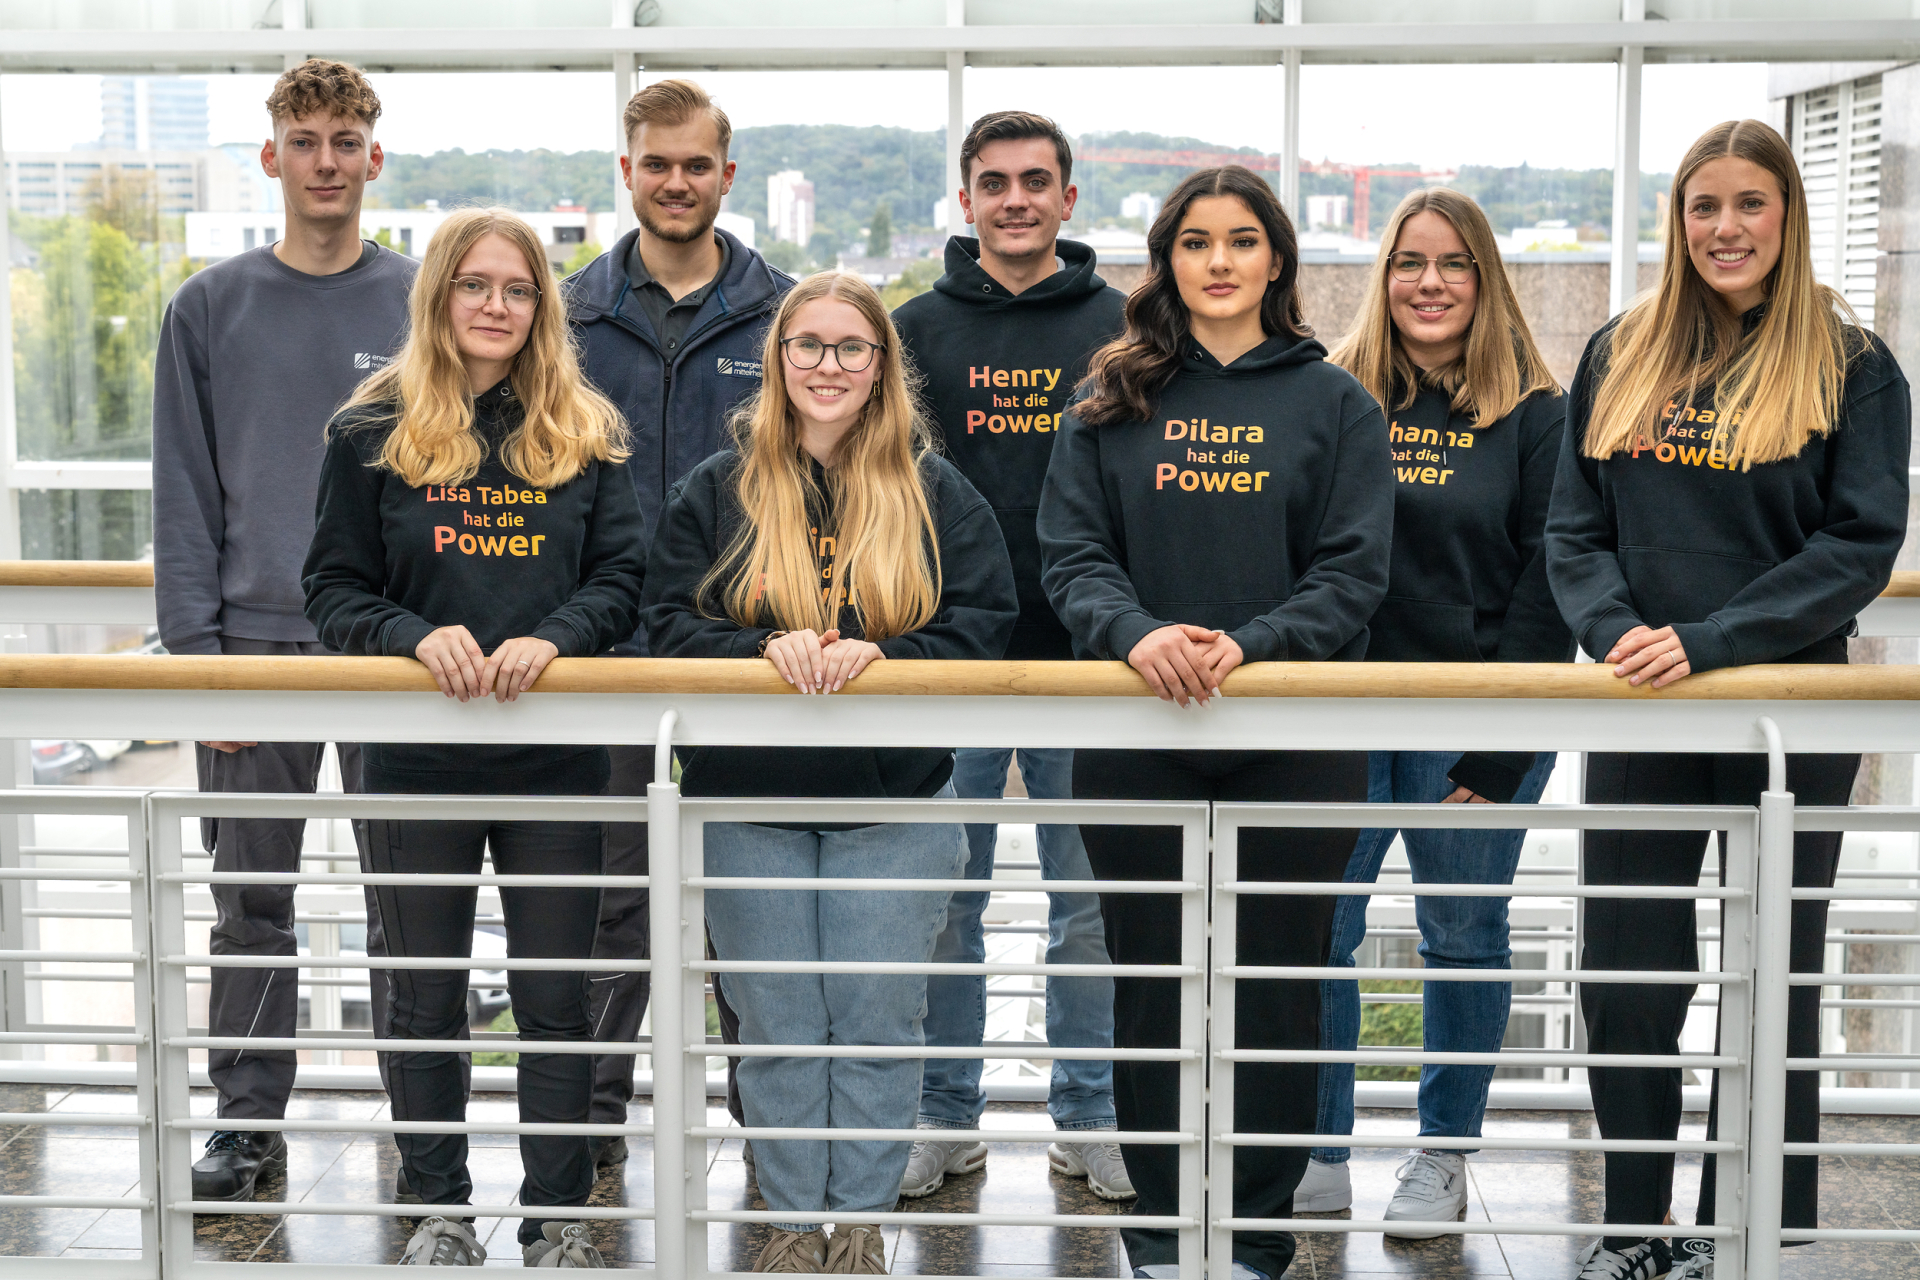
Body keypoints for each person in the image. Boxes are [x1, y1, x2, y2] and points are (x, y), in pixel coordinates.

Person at [1545, 120, 1910, 1280]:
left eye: (1750, 204)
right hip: (1646, 703)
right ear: (1678, 220)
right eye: (1705, 206)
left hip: (1787, 710)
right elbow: (1574, 527)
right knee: (1628, 968)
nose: (1725, 228)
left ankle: (1747, 1225)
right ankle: (1637, 1226)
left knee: (1775, 970)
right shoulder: (1621, 350)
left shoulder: (1852, 364)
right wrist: (1615, 632)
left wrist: (1706, 639)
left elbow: (1857, 547)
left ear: (1788, 215)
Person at [1038, 165, 1393, 1280]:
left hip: (1291, 739)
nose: (1222, 261)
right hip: (1139, 732)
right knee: (1149, 987)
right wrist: (1135, 631)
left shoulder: (1336, 403)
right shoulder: (1108, 398)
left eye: (1244, 240)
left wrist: (1256, 642)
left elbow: (1353, 572)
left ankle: (1251, 1236)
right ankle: (1157, 1231)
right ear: (1169, 259)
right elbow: (1072, 554)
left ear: (1277, 259)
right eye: (1198, 242)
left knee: (1274, 990)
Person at [640, 270, 1017, 1274]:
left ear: (884, 366)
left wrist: (889, 658)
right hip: (747, 806)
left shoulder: (935, 491)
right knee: (776, 1029)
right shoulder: (715, 490)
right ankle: (791, 1227)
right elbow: (663, 624)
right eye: (808, 344)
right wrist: (756, 651)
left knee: (878, 1026)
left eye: (852, 347)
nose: (829, 365)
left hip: (892, 807)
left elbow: (985, 631)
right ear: (778, 359)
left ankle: (855, 1227)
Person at [303, 207, 644, 1268]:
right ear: (440, 294)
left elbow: (623, 580)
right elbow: (331, 587)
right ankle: (439, 1208)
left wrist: (554, 638)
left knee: (551, 992)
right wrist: (414, 636)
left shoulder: (586, 428)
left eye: (519, 288)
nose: (497, 305)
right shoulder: (371, 430)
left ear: (542, 308)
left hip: (554, 755)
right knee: (422, 987)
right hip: (416, 753)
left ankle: (555, 1219)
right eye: (476, 285)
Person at [150, 57, 415, 1203]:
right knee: (249, 905)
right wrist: (197, 666)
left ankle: (428, 1120)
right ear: (272, 157)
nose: (325, 161)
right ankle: (248, 1125)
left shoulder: (420, 301)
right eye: (304, 140)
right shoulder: (208, 308)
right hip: (250, 653)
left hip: (393, 653)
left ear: (373, 158)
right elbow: (182, 494)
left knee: (408, 901)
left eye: (344, 140)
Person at [1297, 188, 1573, 1233]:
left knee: (1462, 933)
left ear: (1485, 278)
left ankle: (1443, 1151)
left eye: (1453, 263)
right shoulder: (1335, 396)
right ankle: (1319, 1149)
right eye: (1411, 261)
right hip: (1342, 710)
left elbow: (1553, 578)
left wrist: (1507, 742)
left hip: (1473, 714)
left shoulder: (1537, 413)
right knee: (1324, 930)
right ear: (1385, 276)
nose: (1430, 281)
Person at [889, 109, 1132, 1200]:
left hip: (1094, 663)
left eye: (1038, 181)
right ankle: (946, 1110)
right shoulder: (912, 333)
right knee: (950, 899)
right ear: (966, 198)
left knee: (1092, 906)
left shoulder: (1130, 329)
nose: (1018, 198)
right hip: (952, 661)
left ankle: (1092, 1109)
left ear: (1070, 198)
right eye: (996, 182)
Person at [564, 78, 794, 1161]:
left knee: (748, 913)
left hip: (750, 662)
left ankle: (770, 1132)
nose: (676, 182)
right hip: (610, 662)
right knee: (613, 906)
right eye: (656, 164)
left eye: (696, 164)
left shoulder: (787, 317)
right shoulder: (563, 318)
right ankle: (595, 1129)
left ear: (726, 175)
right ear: (627, 171)